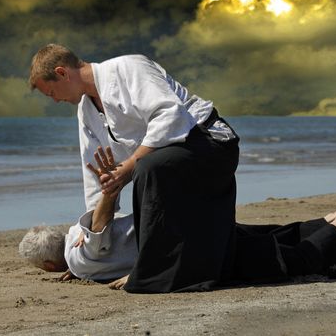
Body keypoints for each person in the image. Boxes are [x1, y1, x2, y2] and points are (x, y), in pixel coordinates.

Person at [29, 44, 239, 293]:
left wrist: (128, 165)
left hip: (210, 142)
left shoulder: (128, 67)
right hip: (169, 163)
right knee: (147, 168)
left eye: (51, 92)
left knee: (146, 168)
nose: (54, 100)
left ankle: (150, 270)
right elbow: (96, 175)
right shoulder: (86, 112)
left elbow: (171, 115)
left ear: (62, 73)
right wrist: (91, 247)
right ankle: (155, 264)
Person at [19, 147, 336, 289]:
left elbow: (97, 236)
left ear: (51, 266)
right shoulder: (75, 248)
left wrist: (109, 192)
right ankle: (330, 217)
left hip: (186, 242)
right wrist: (78, 265)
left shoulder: (82, 255)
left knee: (280, 261)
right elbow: (93, 239)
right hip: (189, 226)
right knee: (268, 236)